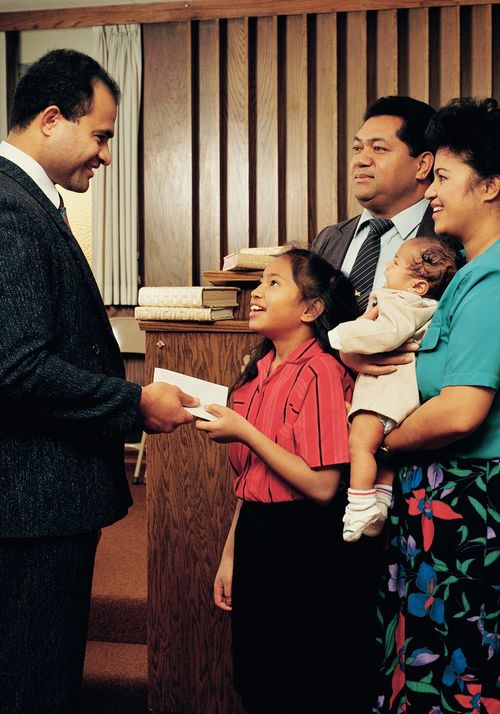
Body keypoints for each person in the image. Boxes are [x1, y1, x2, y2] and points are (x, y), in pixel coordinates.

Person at [0, 49, 198, 714]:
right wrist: (135, 401)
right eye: (102, 136)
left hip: (36, 499)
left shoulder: (30, 201)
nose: (106, 156)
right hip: (30, 503)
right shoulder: (11, 209)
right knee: (34, 681)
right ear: (52, 119)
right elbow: (16, 367)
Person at [369, 98, 500, 712]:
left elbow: (461, 410)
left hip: (468, 509)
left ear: (492, 185)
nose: (433, 192)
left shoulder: (494, 278)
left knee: (457, 668)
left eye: (444, 177)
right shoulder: (470, 271)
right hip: (440, 502)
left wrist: (381, 443)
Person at [196, 248, 359, 713]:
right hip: (257, 535)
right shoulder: (257, 373)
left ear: (311, 309)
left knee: (298, 681)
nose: (256, 294)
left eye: (272, 283)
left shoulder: (323, 371)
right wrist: (231, 553)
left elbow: (324, 486)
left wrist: (245, 431)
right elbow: (252, 479)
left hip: (305, 541)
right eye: (259, 283)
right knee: (255, 676)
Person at [328, 237, 461, 542]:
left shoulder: (397, 301)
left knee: (360, 445)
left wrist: (343, 336)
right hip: (404, 398)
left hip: (382, 392)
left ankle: (359, 506)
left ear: (418, 286)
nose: (388, 265)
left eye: (397, 262)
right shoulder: (426, 306)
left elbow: (387, 334)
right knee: (386, 457)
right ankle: (380, 505)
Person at [311, 95, 439, 312]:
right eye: (357, 148)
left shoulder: (450, 240)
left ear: (423, 165)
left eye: (378, 149)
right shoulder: (329, 239)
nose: (360, 160)